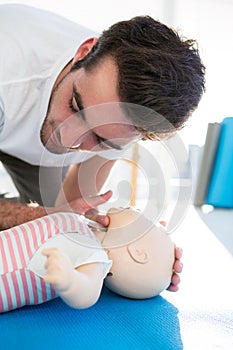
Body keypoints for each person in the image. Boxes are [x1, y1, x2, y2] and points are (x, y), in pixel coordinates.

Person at [0, 4, 205, 289]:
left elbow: (66, 212)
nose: (70, 141)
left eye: (100, 140)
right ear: (83, 52)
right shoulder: (7, 73)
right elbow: (54, 217)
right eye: (76, 107)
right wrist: (42, 216)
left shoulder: (126, 118)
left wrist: (121, 249)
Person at [0, 208, 175, 313]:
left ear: (138, 253)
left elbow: (88, 292)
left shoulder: (94, 253)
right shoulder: (85, 228)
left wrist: (70, 280)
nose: (140, 209)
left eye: (149, 222)